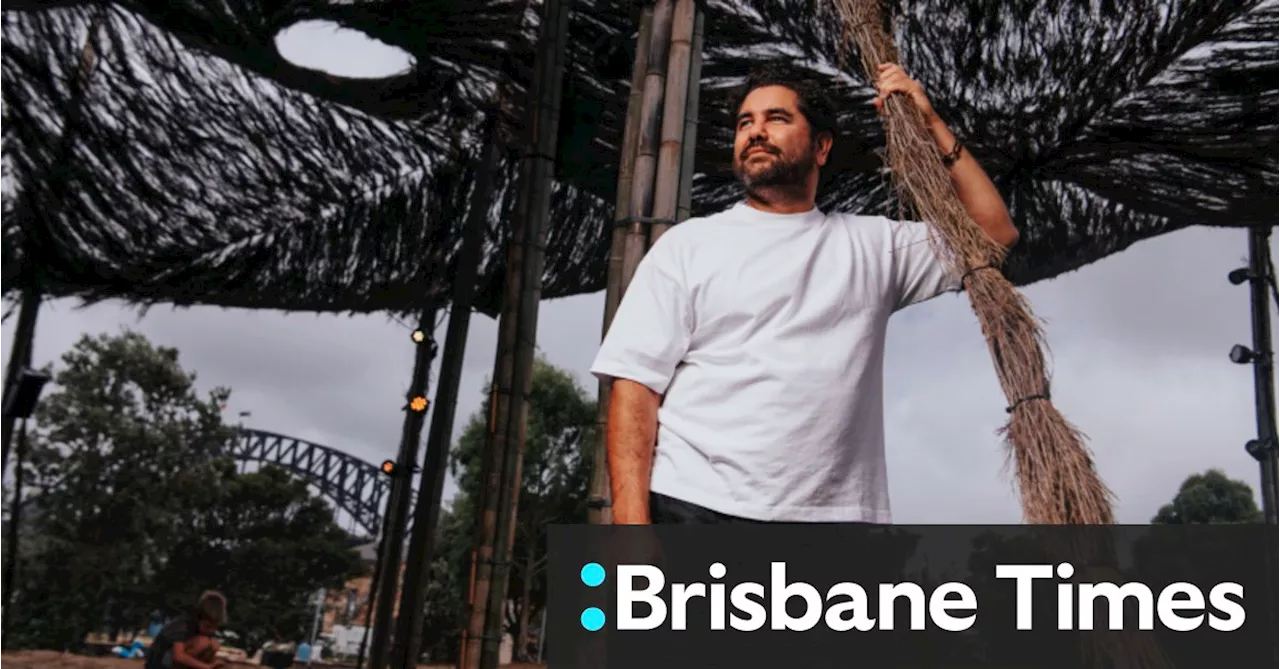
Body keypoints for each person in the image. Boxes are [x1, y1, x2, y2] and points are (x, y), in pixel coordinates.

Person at [591, 62, 1019, 525]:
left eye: (776, 118)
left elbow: (993, 233)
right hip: (698, 506)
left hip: (838, 521)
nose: (755, 132)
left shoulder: (873, 246)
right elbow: (635, 387)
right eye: (744, 123)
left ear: (821, 147)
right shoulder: (689, 245)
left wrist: (931, 123)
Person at [146, 591, 228, 669]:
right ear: (199, 618)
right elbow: (178, 656)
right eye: (208, 627)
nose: (212, 631)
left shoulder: (204, 630)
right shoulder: (182, 625)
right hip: (159, 662)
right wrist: (207, 667)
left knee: (214, 644)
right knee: (201, 643)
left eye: (215, 627)